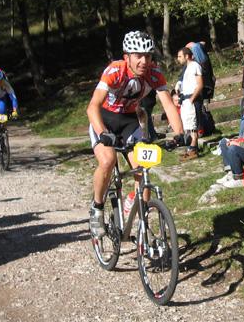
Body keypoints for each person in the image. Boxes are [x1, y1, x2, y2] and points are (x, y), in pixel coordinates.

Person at [87, 31, 183, 240]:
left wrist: (180, 134)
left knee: (143, 168)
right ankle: (97, 208)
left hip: (129, 122)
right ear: (127, 56)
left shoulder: (155, 73)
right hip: (104, 120)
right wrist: (103, 133)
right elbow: (92, 107)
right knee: (108, 160)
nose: (143, 61)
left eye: (147, 56)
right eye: (138, 55)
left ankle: (139, 218)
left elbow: (167, 104)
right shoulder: (115, 70)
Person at [175, 47, 203, 161]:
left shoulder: (195, 66)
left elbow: (200, 84)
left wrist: (192, 99)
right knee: (189, 125)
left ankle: (192, 150)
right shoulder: (186, 68)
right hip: (186, 100)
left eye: (180, 56)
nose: (178, 59)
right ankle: (192, 148)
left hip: (192, 99)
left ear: (187, 56)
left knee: (193, 126)